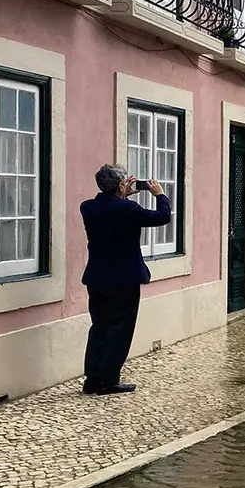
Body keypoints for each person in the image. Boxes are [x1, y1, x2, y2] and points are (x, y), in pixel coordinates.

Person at [79, 165, 171, 395]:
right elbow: (162, 217)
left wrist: (121, 196)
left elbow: (111, 210)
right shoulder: (128, 209)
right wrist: (159, 194)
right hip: (124, 280)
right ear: (121, 185)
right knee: (119, 330)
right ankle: (108, 381)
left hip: (97, 278)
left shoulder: (88, 208)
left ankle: (92, 379)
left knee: (99, 327)